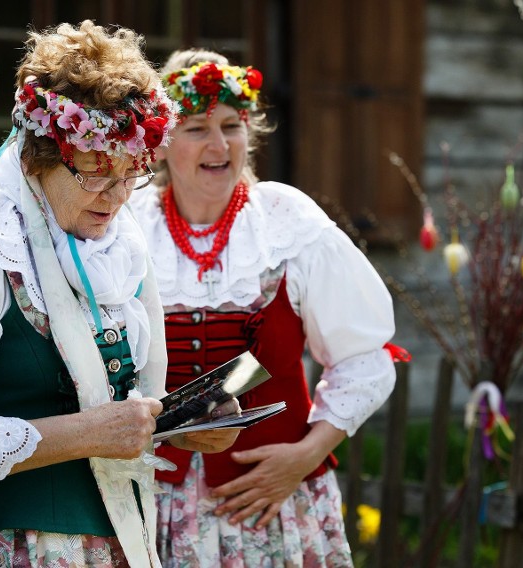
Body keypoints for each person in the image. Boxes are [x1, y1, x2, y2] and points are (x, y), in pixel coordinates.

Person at [0, 23, 238, 568]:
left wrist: (172, 426)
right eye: (95, 174)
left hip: (111, 542)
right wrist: (84, 434)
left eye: (131, 174)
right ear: (37, 155)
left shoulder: (114, 241)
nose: (117, 196)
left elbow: (100, 393)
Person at [128, 49, 405, 567]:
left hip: (271, 510)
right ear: (161, 143)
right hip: (147, 507)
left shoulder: (286, 222)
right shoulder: (128, 227)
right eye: (195, 128)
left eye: (231, 125)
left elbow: (365, 358)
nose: (219, 144)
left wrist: (306, 456)